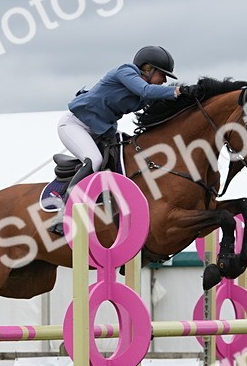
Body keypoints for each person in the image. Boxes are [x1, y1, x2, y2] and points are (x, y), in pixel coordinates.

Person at [49, 46, 182, 235]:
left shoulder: (141, 95)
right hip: (74, 125)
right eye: (163, 74)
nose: (165, 80)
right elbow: (146, 90)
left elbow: (156, 99)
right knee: (94, 160)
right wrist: (176, 91)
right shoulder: (125, 71)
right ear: (148, 68)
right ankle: (64, 212)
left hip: (100, 132)